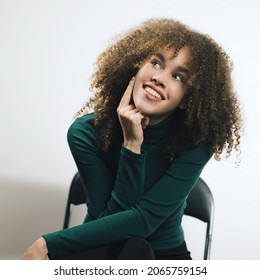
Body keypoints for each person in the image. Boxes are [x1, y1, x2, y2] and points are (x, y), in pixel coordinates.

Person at [21, 18, 242, 260]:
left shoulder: (197, 142)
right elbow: (111, 221)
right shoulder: (86, 133)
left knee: (138, 246)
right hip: (99, 246)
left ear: (189, 100)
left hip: (164, 255)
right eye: (156, 63)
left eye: (179, 77)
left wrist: (47, 244)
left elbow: (143, 220)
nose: (160, 78)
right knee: (133, 246)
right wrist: (130, 145)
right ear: (135, 66)